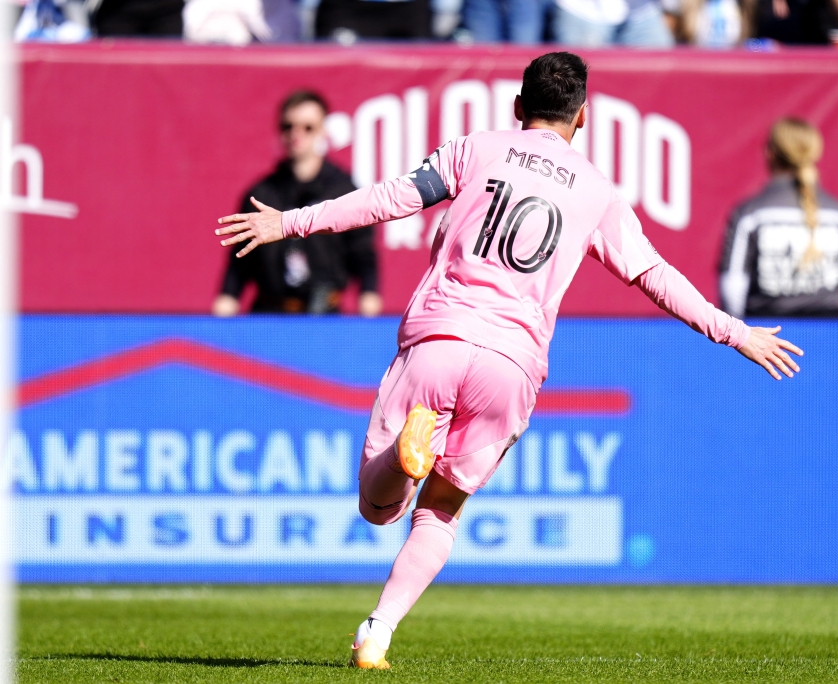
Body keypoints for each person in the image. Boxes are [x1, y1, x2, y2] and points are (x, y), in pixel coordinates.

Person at [216, 52, 802, 669]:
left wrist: (293, 221)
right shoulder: (597, 191)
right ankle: (377, 633)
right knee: (441, 509)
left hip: (440, 338)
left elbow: (392, 200)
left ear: (518, 108)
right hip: (511, 365)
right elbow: (652, 274)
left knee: (377, 505)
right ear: (583, 116)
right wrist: (734, 332)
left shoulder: (476, 149)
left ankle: (402, 456)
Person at [213, 90, 381, 317]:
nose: (296, 134)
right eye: (288, 126)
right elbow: (240, 260)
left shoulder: (343, 191)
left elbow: (363, 254)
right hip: (269, 314)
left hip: (325, 315)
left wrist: (369, 297)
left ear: (323, 131)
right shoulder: (262, 194)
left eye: (308, 127)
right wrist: (227, 300)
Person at [718, 117, 838, 319]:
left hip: (767, 341)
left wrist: (745, 338)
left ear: (770, 153)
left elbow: (731, 290)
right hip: (829, 340)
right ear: (814, 154)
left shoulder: (749, 215)